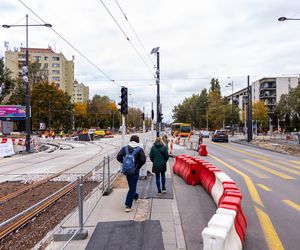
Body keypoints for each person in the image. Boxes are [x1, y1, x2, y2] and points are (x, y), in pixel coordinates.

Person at [117, 135, 146, 212]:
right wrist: (138, 166)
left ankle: (135, 196)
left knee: (131, 186)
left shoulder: (125, 148)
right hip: (135, 171)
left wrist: (125, 164)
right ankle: (128, 205)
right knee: (132, 187)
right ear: (137, 141)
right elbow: (143, 159)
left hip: (127, 171)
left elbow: (118, 157)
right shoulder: (139, 149)